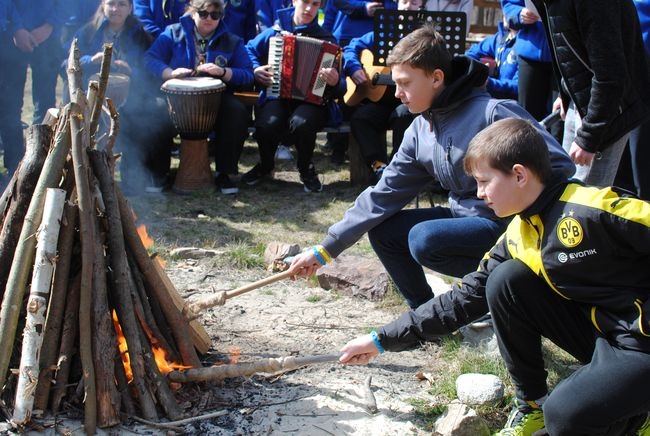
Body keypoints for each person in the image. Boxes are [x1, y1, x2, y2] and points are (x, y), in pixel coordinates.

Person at [337, 117, 650, 435]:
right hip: (606, 337)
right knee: (505, 280)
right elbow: (462, 300)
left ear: (519, 175)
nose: (479, 193)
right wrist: (382, 340)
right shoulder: (518, 233)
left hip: (641, 344)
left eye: (484, 181)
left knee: (566, 414)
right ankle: (534, 406)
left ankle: (632, 417)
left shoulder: (591, 209)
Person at [287, 25, 574, 308]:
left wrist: (524, 219)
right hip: (465, 218)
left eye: (405, 83)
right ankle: (424, 314)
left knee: (424, 239)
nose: (397, 93)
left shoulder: (494, 113)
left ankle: (504, 291)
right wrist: (326, 249)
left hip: (511, 227)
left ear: (436, 78)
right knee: (385, 232)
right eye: (395, 83)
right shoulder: (419, 131)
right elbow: (383, 194)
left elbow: (559, 165)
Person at [537, 0, 650, 188]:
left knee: (581, 201)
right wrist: (564, 93)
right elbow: (568, 47)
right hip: (580, 99)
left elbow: (610, 74)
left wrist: (589, 137)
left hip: (607, 108)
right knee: (567, 189)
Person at [144, 0, 254, 194]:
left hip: (216, 100)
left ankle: (224, 173)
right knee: (156, 110)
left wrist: (223, 71)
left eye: (215, 15)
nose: (209, 19)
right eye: (203, 13)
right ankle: (159, 173)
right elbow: (150, 59)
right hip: (176, 99)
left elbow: (247, 72)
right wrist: (169, 72)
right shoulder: (172, 33)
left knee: (236, 113)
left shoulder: (231, 40)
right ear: (192, 12)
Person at [242, 0, 345, 193]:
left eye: (315, 4)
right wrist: (256, 69)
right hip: (277, 94)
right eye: (305, 2)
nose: (309, 8)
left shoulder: (327, 40)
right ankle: (266, 165)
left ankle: (306, 168)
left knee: (302, 123)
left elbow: (341, 87)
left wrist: (335, 81)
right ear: (294, 1)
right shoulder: (277, 31)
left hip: (312, 100)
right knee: (266, 124)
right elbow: (248, 50)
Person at [343, 0, 422, 181]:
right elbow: (352, 47)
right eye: (404, 1)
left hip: (408, 101)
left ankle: (398, 169)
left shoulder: (422, 38)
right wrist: (355, 68)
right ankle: (379, 166)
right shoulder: (384, 31)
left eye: (414, 2)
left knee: (404, 116)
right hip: (382, 99)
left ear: (421, 7)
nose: (408, 6)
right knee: (361, 118)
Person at [0, 0, 63, 176]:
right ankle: (14, 167)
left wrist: (50, 25)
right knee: (9, 106)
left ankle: (40, 162)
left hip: (49, 38)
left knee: (45, 105)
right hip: (9, 37)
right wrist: (17, 28)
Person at [500, 0, 553, 122]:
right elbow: (509, 5)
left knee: (559, 119)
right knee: (527, 119)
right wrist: (519, 13)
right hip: (530, 53)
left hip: (563, 53)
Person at [465, 16, 518, 100]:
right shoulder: (501, 38)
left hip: (512, 105)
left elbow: (518, 87)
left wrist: (489, 82)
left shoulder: (527, 46)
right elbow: (472, 52)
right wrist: (475, 68)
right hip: (492, 98)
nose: (506, 12)